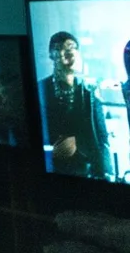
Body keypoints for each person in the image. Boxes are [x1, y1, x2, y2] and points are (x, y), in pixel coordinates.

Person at [37, 30, 115, 181]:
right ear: (52, 56)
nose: (68, 54)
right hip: (55, 172)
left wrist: (106, 171)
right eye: (60, 49)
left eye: (71, 48)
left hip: (89, 171)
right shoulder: (42, 89)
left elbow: (102, 136)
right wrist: (52, 151)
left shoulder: (88, 90)